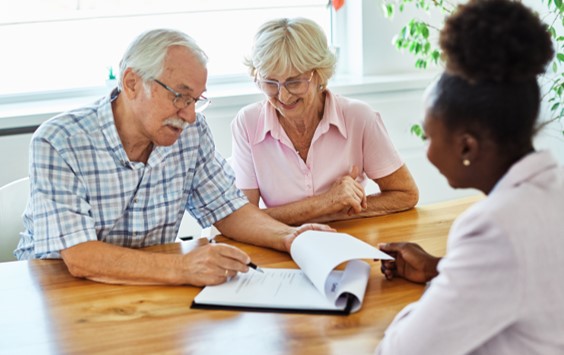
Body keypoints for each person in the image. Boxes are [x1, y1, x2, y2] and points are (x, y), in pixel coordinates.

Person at [15, 29, 331, 287]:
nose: (190, 115)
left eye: (196, 100)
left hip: (150, 286)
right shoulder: (59, 141)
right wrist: (183, 267)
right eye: (180, 96)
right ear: (131, 83)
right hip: (58, 291)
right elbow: (80, 257)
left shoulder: (191, 133)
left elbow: (229, 210)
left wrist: (291, 237)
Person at [376, 0, 564, 354]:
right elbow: (533, 271)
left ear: (466, 147)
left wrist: (443, 285)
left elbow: (402, 350)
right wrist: (441, 268)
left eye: (429, 136)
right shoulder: (553, 191)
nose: (428, 151)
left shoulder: (495, 226)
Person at [230, 18, 419, 225]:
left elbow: (405, 194)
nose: (283, 96)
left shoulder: (359, 118)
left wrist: (336, 212)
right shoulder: (247, 123)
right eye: (270, 82)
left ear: (319, 74)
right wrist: (327, 203)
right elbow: (242, 218)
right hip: (280, 244)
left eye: (295, 82)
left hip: (347, 239)